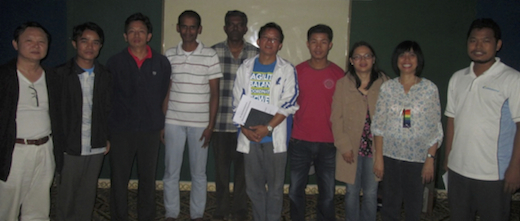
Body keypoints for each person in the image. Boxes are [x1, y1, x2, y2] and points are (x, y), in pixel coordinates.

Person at [444, 18, 520, 220]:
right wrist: (448, 160)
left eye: (485, 40)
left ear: (498, 45)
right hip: (458, 171)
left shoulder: (512, 79)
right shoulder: (457, 78)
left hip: (494, 175)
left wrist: (515, 167)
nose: (478, 46)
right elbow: (451, 121)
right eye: (473, 40)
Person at [106, 13, 171, 221]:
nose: (137, 35)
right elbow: (108, 98)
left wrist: (162, 124)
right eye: (132, 31)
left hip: (150, 130)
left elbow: (164, 95)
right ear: (125, 36)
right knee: (119, 180)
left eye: (141, 31)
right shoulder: (115, 62)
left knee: (148, 179)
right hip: (120, 131)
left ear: (149, 35)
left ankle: (147, 217)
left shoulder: (161, 63)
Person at [233, 22, 299, 221]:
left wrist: (268, 127)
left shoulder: (286, 69)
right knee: (254, 188)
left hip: (274, 138)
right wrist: (244, 129)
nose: (269, 42)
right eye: (266, 38)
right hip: (250, 137)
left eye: (274, 39)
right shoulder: (245, 68)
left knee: (276, 188)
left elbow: (290, 103)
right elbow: (237, 100)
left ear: (280, 44)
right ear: (258, 41)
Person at [372, 40, 443, 220]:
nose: (407, 59)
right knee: (389, 204)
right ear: (396, 59)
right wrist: (379, 159)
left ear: (418, 60)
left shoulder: (429, 89)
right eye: (402, 55)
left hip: (417, 158)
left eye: (412, 55)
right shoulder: (388, 88)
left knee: (414, 205)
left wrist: (430, 160)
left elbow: (434, 128)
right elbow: (379, 126)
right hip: (390, 156)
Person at [163, 10, 222, 221]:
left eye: (193, 27)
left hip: (200, 124)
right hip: (173, 121)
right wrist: (163, 122)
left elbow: (215, 94)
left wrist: (210, 125)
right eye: (184, 26)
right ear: (178, 28)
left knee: (199, 173)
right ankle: (171, 213)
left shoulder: (210, 55)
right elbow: (167, 90)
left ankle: (196, 214)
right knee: (171, 172)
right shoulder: (169, 55)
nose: (188, 31)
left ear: (199, 29)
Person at [0, 22, 62, 221]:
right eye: (29, 40)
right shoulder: (4, 77)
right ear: (15, 44)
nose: (36, 45)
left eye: (41, 41)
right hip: (13, 151)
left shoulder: (53, 77)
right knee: (5, 208)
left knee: (38, 209)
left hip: (45, 150)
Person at [54, 22, 111, 221]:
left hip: (95, 145)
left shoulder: (105, 75)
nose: (90, 46)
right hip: (69, 146)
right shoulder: (59, 75)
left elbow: (107, 109)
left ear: (100, 46)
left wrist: (106, 137)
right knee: (66, 198)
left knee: (87, 197)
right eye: (84, 41)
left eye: (95, 42)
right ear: (74, 43)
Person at [288, 24, 343, 221]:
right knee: (295, 190)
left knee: (327, 195)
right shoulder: (296, 71)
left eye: (323, 42)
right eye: (314, 42)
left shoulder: (339, 75)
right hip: (299, 141)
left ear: (330, 45)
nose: (318, 46)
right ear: (307, 44)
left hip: (328, 142)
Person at [331, 41, 388, 221]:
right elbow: (336, 118)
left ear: (373, 59)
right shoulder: (343, 84)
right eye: (357, 56)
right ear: (351, 61)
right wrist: (344, 146)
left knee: (371, 193)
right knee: (351, 192)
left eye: (367, 56)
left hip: (376, 149)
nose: (362, 60)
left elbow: (396, 115)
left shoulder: (385, 83)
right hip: (350, 148)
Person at [210, 10, 258, 221]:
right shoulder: (213, 53)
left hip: (246, 126)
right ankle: (220, 210)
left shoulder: (256, 54)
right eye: (231, 24)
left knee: (242, 173)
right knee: (220, 173)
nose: (235, 28)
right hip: (219, 124)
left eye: (239, 25)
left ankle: (239, 210)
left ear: (246, 28)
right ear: (225, 27)